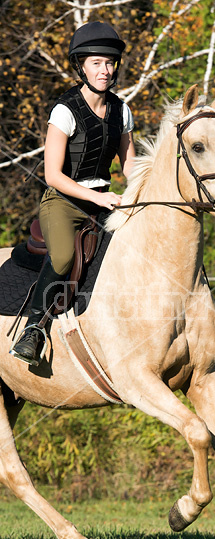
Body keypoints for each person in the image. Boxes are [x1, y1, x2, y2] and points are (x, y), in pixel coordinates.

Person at [10, 21, 135, 366]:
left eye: (109, 63)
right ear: (80, 66)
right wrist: (97, 198)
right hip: (63, 202)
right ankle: (33, 329)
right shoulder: (64, 110)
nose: (105, 70)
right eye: (96, 63)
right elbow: (52, 175)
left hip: (106, 201)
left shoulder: (121, 111)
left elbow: (130, 167)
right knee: (63, 257)